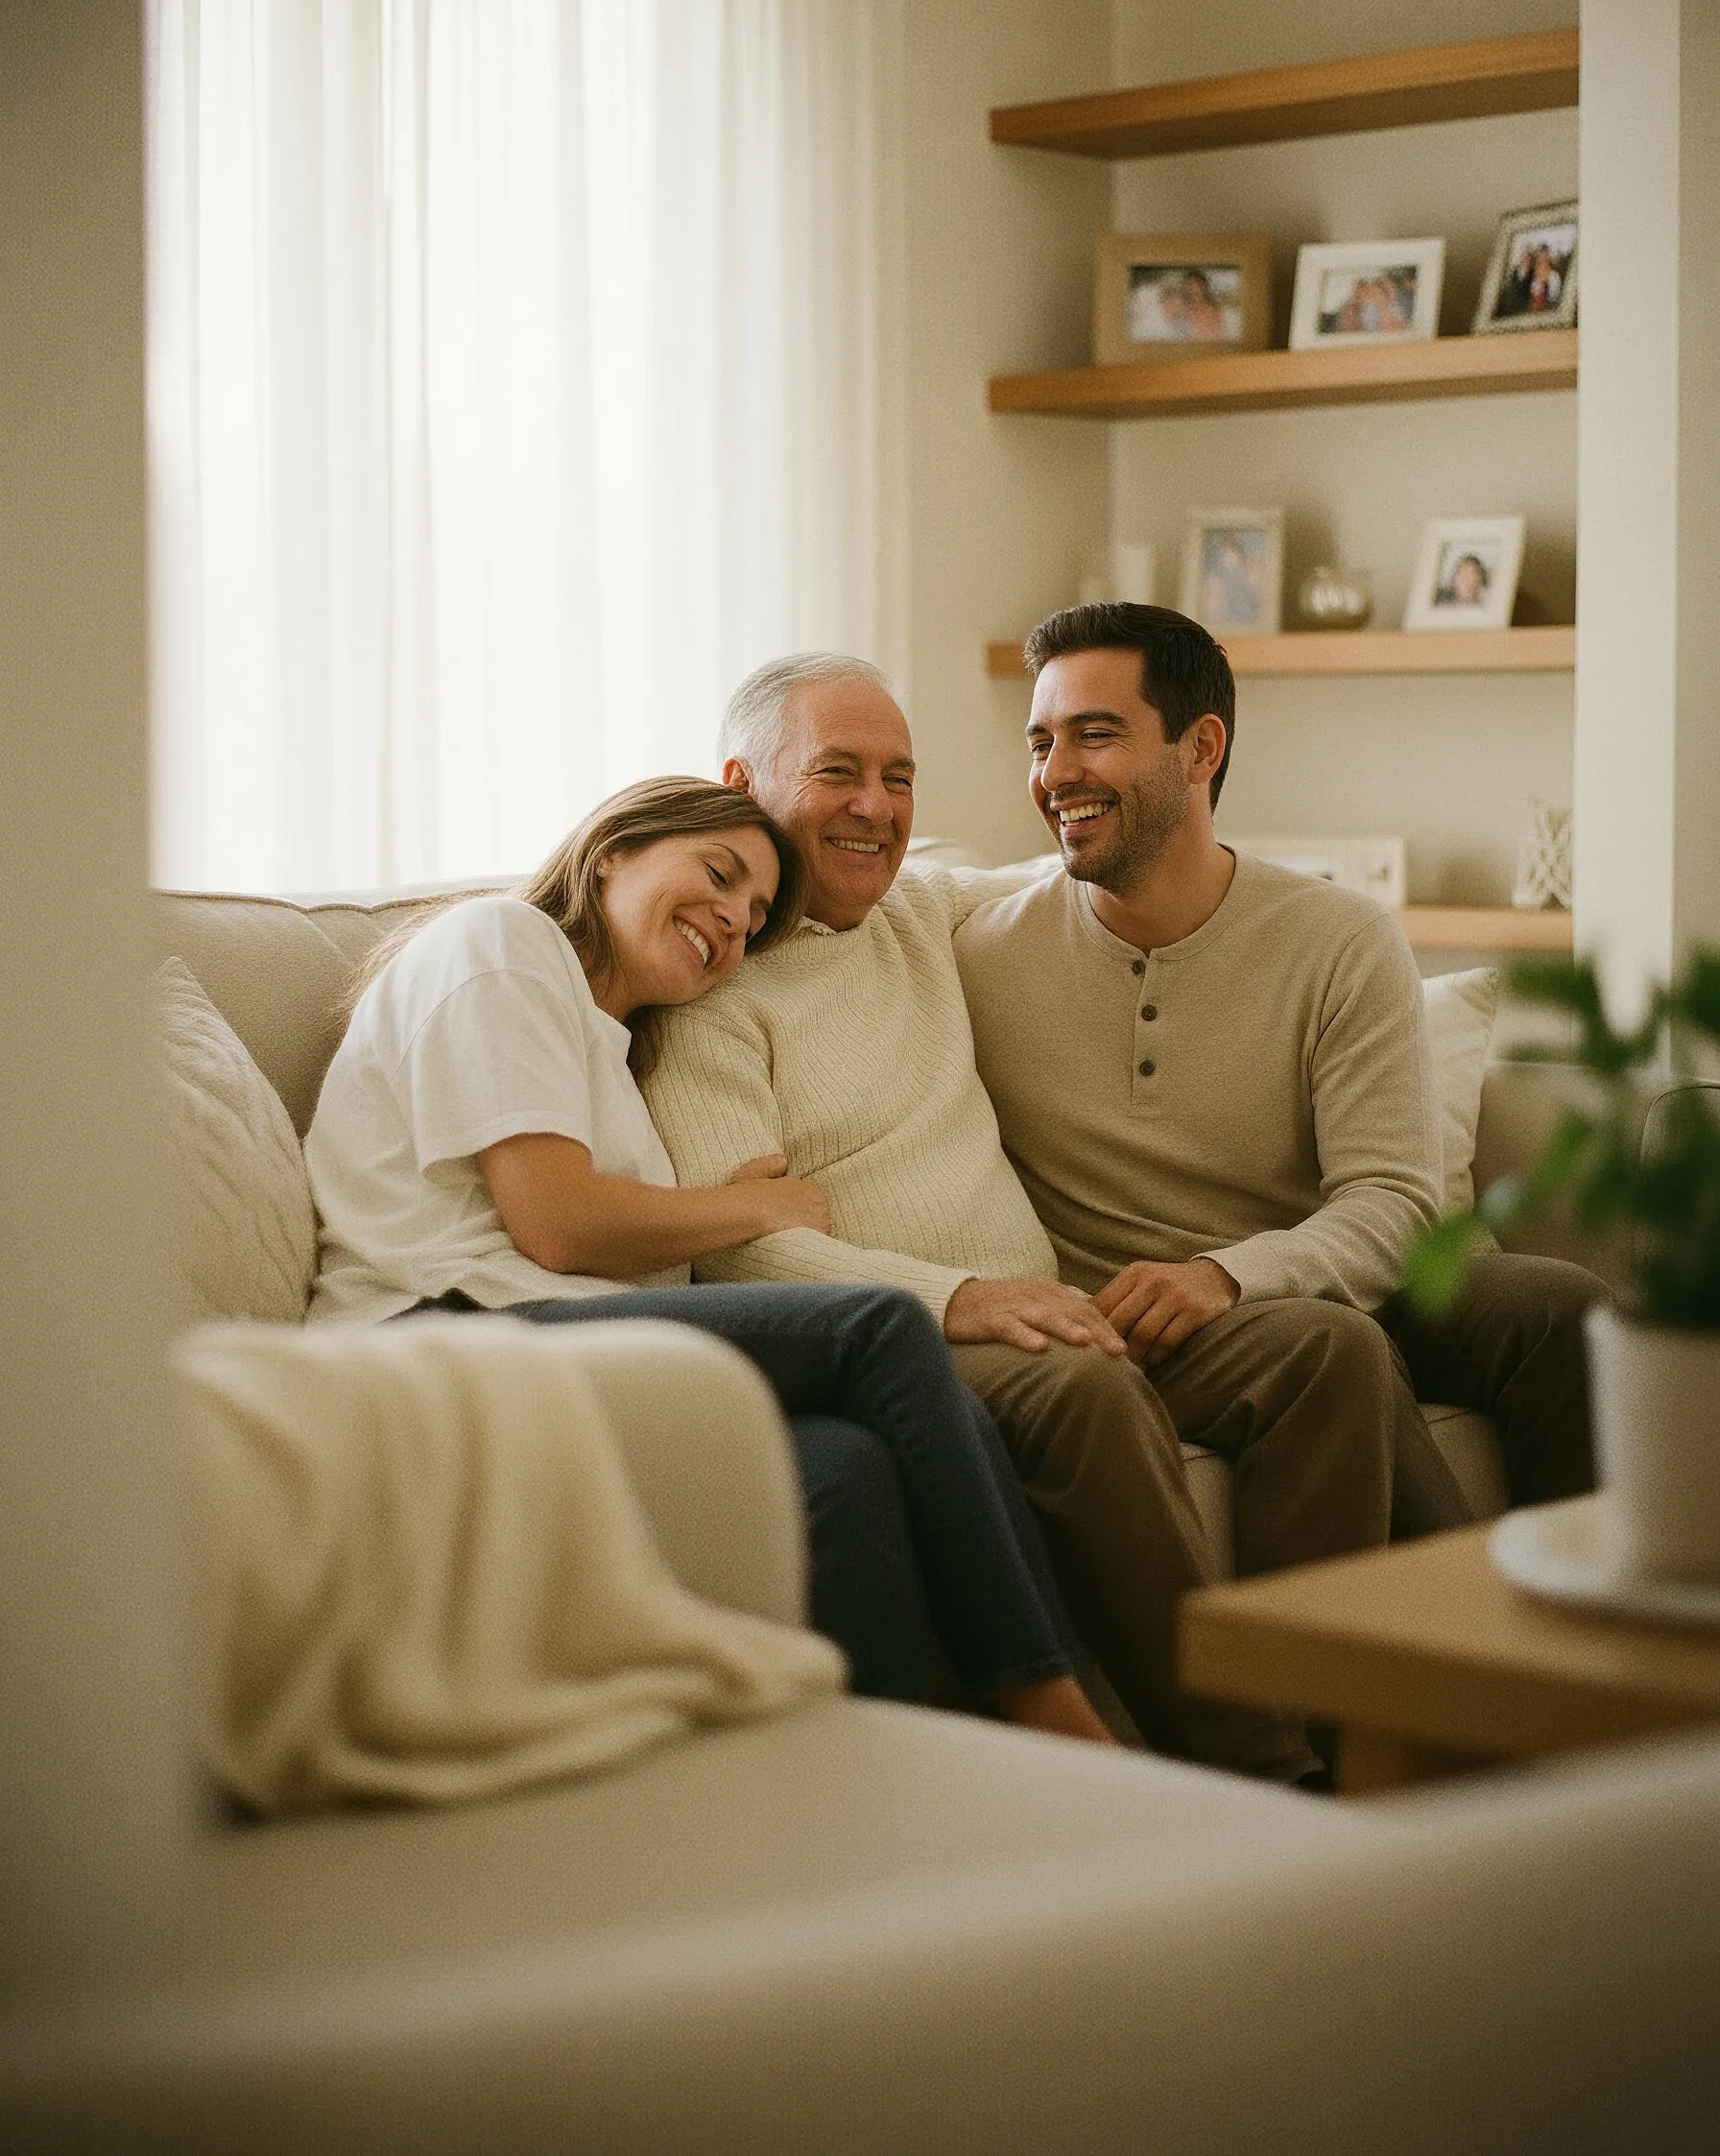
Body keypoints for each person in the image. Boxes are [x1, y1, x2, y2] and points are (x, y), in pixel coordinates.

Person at [642, 656, 1369, 1782]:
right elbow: (744, 1248)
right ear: (741, 780)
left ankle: (1356, 1724)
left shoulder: (924, 910)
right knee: (1082, 1387)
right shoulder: (707, 994)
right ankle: (1261, 1771)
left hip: (1051, 1305)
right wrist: (965, 1301)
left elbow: (1115, 867)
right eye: (838, 772)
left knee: (1319, 1348)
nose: (875, 809)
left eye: (899, 777)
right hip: (917, 1345)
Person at [302, 775, 1111, 1743]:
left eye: (755, 916)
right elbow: (555, 1223)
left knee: (843, 1467)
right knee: (877, 1326)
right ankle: (1053, 1713)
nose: (731, 921)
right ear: (614, 849)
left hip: (546, 1346)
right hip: (431, 1337)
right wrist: (744, 1208)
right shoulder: (499, 944)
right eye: (719, 876)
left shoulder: (611, 1051)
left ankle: (882, 1777)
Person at [952, 602, 1603, 1537]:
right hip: (1141, 1313)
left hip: (1301, 1263)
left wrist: (1229, 1273)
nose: (1054, 776)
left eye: (1094, 736)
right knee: (1332, 1350)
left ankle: (1593, 1633)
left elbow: (1393, 1202)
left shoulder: (1338, 939)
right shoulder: (979, 949)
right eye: (1039, 742)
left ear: (1200, 747)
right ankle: (1449, 1652)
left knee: (1556, 1307)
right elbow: (865, 898)